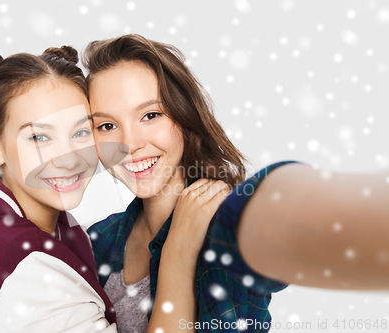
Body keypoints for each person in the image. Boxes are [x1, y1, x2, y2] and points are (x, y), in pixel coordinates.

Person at [83, 34, 389, 333]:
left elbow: (282, 209)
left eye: (150, 115)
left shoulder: (221, 226)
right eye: (107, 125)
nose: (130, 144)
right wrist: (178, 250)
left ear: (184, 116)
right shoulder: (97, 241)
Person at [0, 46, 221, 333]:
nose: (70, 158)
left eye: (81, 132)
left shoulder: (69, 231)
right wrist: (179, 250)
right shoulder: (28, 266)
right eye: (39, 137)